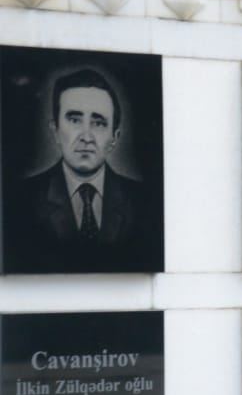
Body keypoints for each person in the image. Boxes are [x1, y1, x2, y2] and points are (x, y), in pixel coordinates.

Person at [16, 67, 149, 272]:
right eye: (75, 120)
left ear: (114, 138)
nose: (86, 136)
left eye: (98, 123)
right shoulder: (20, 201)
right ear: (55, 131)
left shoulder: (144, 202)